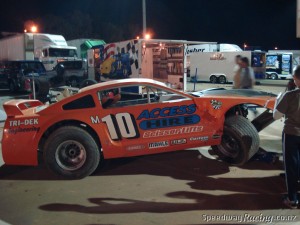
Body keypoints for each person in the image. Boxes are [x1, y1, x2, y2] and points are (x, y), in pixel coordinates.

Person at [273, 65, 300, 209]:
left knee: (291, 165)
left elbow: (276, 116)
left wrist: (278, 100)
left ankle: (292, 199)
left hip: (292, 135)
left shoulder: (290, 95)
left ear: (296, 79)